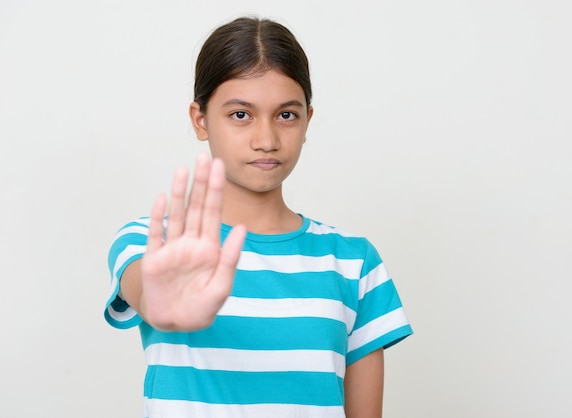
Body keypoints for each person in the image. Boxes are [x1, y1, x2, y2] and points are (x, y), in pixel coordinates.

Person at [105, 15, 413, 418]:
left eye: (286, 115)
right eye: (240, 115)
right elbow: (145, 289)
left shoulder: (353, 261)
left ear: (307, 121)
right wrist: (156, 303)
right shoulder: (153, 241)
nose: (266, 140)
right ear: (200, 120)